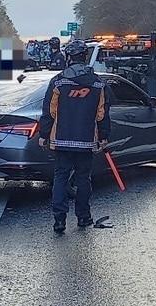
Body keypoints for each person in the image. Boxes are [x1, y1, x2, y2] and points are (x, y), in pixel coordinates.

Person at [36, 39, 111, 234]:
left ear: (69, 57)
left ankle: (59, 220)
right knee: (83, 179)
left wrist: (44, 134)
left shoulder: (59, 82)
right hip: (86, 141)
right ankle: (84, 217)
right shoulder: (97, 83)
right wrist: (103, 135)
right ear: (85, 58)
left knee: (60, 178)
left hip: (61, 140)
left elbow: (49, 111)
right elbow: (101, 113)